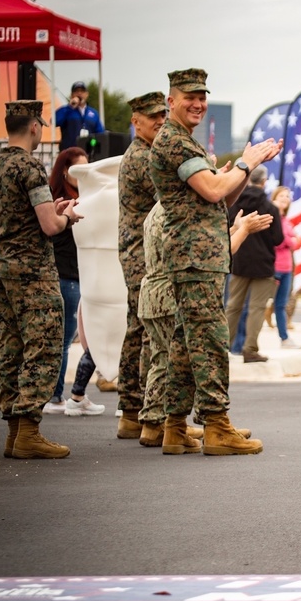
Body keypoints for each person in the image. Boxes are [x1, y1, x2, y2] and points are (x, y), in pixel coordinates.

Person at [149, 68, 282, 455]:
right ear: (171, 100)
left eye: (202, 97)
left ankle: (175, 426)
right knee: (209, 339)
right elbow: (211, 190)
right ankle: (216, 425)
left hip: (199, 254)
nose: (198, 103)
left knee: (184, 343)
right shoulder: (175, 142)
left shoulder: (182, 142)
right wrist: (245, 164)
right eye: (189, 96)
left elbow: (219, 197)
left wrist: (241, 171)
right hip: (194, 257)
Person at [0, 99, 82, 458]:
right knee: (44, 346)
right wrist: (67, 217)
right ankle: (29, 432)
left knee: (11, 347)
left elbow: (14, 217)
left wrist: (50, 212)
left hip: (2, 268)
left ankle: (14, 432)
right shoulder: (30, 167)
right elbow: (50, 226)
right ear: (36, 127)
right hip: (33, 273)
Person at [136, 199, 270, 450]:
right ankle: (211, 422)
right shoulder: (183, 208)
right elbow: (212, 255)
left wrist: (232, 229)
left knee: (164, 361)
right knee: (192, 361)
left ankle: (157, 423)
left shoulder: (159, 207)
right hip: (171, 294)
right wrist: (242, 231)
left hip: (152, 293)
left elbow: (197, 243)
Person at [115, 90, 167, 440]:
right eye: (153, 117)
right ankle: (145, 411)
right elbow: (174, 193)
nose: (161, 121)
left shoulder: (145, 153)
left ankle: (133, 412)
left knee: (138, 327)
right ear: (136, 122)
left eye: (164, 114)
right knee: (148, 330)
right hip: (141, 254)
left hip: (138, 252)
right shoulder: (143, 158)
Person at [43, 146, 106, 418]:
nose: (83, 174)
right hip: (68, 276)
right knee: (66, 338)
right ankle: (58, 396)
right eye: (78, 169)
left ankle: (71, 394)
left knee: (72, 337)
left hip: (78, 276)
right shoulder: (64, 201)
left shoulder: (75, 198)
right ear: (65, 171)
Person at [226, 166, 284, 363]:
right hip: (263, 263)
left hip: (239, 261)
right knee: (256, 308)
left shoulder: (235, 204)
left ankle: (222, 345)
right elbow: (278, 238)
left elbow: (228, 228)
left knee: (233, 305)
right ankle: (250, 349)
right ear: (264, 182)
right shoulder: (270, 208)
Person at [271, 187, 301, 348]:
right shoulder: (270, 217)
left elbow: (296, 242)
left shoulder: (287, 221)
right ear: (274, 198)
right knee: (259, 303)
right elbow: (278, 241)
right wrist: (289, 240)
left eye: (287, 196)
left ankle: (284, 338)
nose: (285, 198)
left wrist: (289, 240)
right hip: (273, 267)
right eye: (281, 195)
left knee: (281, 304)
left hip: (287, 268)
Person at [55, 81, 105, 151]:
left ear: (87, 94)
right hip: (69, 152)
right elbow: (55, 121)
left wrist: (93, 144)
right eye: (76, 91)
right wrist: (70, 107)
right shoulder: (66, 110)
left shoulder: (93, 113)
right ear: (72, 95)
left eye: (82, 91)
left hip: (87, 152)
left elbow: (100, 134)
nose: (79, 93)